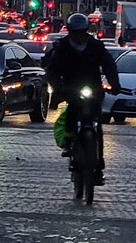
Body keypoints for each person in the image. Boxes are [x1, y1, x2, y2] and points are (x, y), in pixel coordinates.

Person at [44, 13, 121, 186]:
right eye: (75, 33)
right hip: (71, 87)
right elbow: (53, 70)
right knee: (72, 110)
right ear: (70, 32)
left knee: (96, 125)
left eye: (81, 33)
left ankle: (98, 166)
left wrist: (114, 83)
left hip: (93, 87)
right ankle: (70, 142)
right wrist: (58, 88)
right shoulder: (62, 47)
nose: (78, 36)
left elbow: (109, 64)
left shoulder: (96, 46)